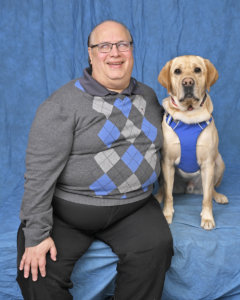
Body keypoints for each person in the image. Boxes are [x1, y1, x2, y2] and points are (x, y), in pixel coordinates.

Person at [17, 20, 173, 300]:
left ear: (132, 51)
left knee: (157, 248)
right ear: (90, 54)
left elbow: (173, 144)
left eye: (122, 44)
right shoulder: (62, 104)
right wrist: (37, 234)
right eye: (104, 46)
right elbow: (38, 175)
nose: (114, 53)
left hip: (134, 208)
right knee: (38, 274)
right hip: (70, 212)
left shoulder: (149, 97)